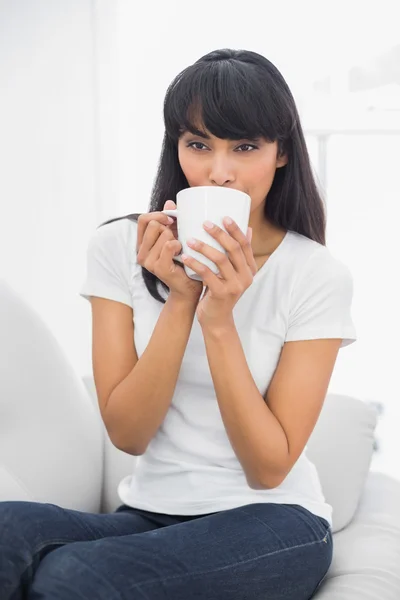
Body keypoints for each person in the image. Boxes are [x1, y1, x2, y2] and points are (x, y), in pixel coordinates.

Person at [0, 48, 356, 600]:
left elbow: (268, 468)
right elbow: (129, 434)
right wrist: (181, 298)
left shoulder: (315, 274)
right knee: (7, 530)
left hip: (274, 522)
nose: (220, 171)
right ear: (177, 149)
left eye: (245, 147)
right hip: (151, 513)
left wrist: (219, 320)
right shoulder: (120, 248)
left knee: (73, 576)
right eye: (198, 145)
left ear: (281, 152)